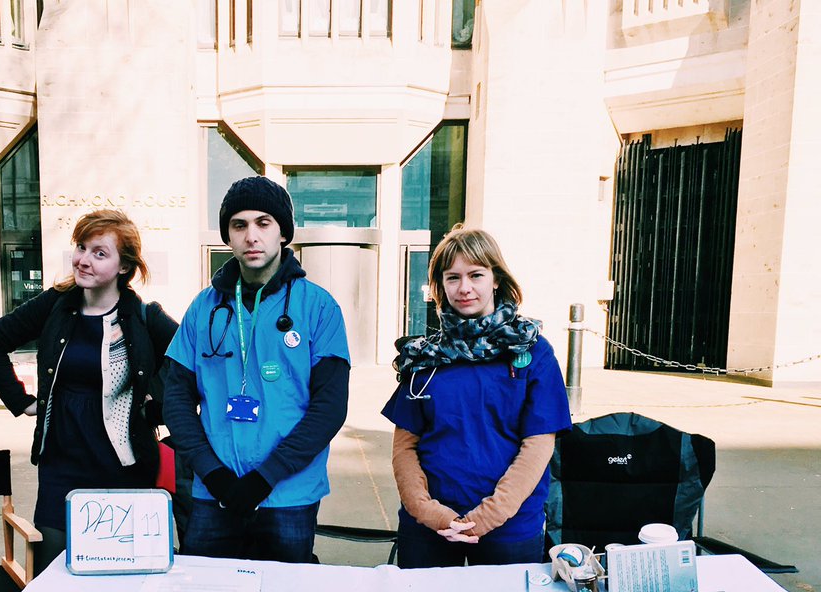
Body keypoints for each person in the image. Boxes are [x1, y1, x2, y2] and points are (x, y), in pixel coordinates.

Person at [0, 209, 179, 572]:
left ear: (123, 266)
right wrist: (22, 402)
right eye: (81, 247)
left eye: (100, 253)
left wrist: (156, 403)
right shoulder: (56, 304)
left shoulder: (142, 316)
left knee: (122, 574)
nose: (84, 260)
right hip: (61, 461)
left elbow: (187, 361)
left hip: (123, 465)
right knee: (51, 570)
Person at [163, 176, 350, 563]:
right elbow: (176, 399)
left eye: (263, 223)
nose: (252, 235)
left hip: (288, 495)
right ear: (228, 237)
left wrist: (266, 477)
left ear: (283, 233)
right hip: (214, 494)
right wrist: (213, 474)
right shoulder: (203, 308)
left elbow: (329, 409)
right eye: (239, 225)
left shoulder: (318, 308)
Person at [382, 225, 572, 569]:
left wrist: (484, 518)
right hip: (430, 530)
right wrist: (430, 512)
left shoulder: (532, 351)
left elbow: (539, 445)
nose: (464, 288)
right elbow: (404, 447)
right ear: (440, 286)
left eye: (476, 275)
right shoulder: (425, 357)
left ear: (496, 279)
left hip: (510, 529)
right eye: (452, 277)